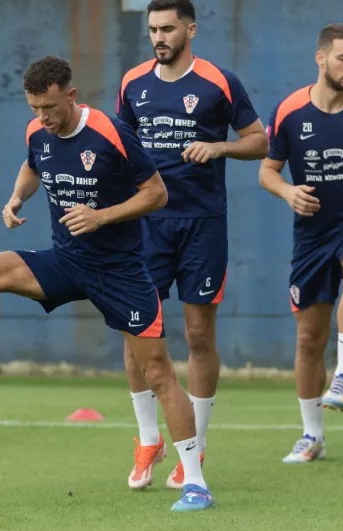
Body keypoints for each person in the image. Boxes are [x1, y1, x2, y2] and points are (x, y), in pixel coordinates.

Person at [0, 56, 214, 512]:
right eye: (35, 108)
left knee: (158, 372)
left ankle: (195, 481)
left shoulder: (111, 133)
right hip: (66, 260)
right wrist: (16, 198)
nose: (43, 117)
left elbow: (157, 194)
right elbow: (33, 166)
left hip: (120, 272)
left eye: (50, 107)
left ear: (71, 95)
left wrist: (102, 216)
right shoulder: (36, 132)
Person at [115, 0, 268, 490]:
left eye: (167, 28)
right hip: (147, 225)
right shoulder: (132, 83)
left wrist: (220, 146)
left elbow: (259, 140)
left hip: (203, 224)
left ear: (191, 29)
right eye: (152, 29)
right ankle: (147, 439)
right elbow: (120, 146)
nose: (158, 37)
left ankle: (194, 448)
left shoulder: (220, 82)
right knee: (135, 331)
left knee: (199, 334)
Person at [259, 23, 343, 463]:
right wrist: (287, 192)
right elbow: (268, 170)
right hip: (313, 233)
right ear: (321, 59)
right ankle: (312, 435)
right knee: (307, 340)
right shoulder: (288, 111)